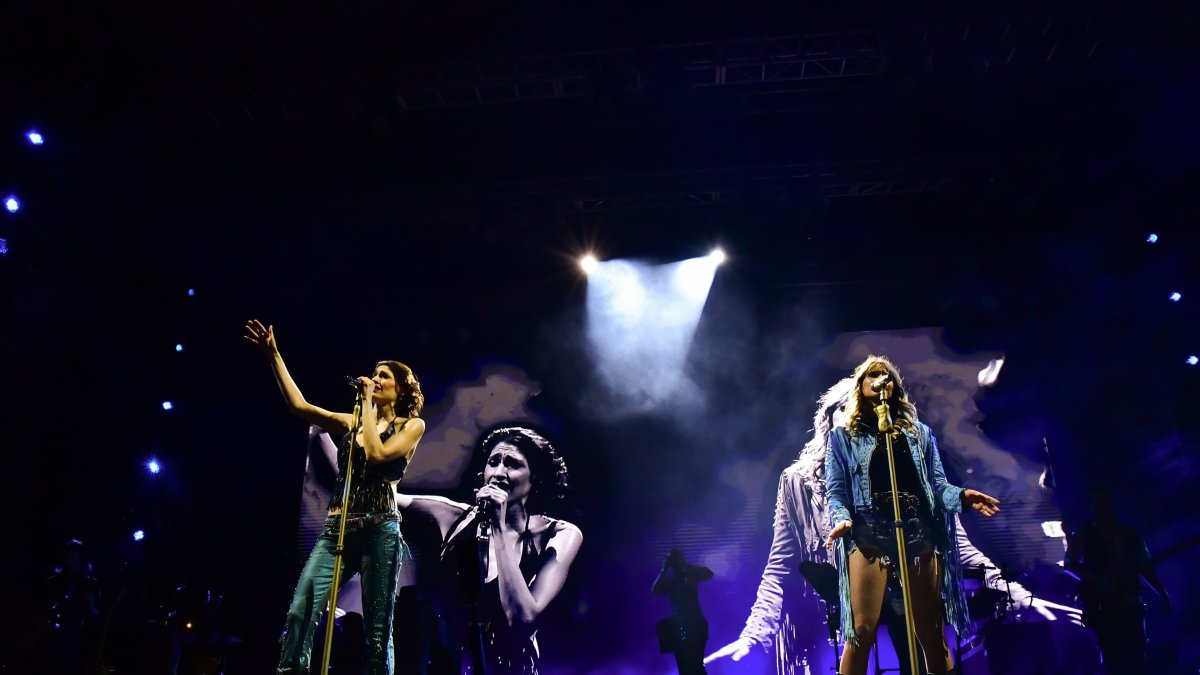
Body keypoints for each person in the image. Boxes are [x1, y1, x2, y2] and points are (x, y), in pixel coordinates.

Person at [707, 375, 1064, 673]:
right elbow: (780, 568)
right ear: (827, 424)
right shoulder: (798, 482)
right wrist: (754, 637)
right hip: (830, 632)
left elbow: (960, 548)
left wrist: (1017, 594)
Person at [244, 319, 426, 675]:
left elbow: (375, 455)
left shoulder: (411, 425)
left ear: (402, 388)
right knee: (300, 610)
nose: (374, 378)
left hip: (380, 531)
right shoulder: (352, 421)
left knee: (377, 629)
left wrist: (367, 407)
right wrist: (273, 356)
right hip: (337, 528)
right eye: (374, 373)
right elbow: (301, 407)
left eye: (383, 375)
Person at [823, 355, 1000, 675]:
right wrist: (842, 518)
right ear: (861, 387)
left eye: (887, 376)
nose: (881, 382)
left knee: (930, 629)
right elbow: (836, 491)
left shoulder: (919, 434)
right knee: (861, 630)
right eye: (872, 377)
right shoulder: (842, 437)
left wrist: (962, 496)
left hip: (917, 529)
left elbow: (937, 486)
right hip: (869, 529)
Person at [395, 426, 582, 675]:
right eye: (493, 462)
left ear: (535, 476)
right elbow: (379, 496)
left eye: (513, 464)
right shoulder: (452, 516)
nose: (498, 473)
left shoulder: (559, 534)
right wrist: (324, 433)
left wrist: (499, 526)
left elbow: (522, 618)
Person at [1064, 487, 1170, 673]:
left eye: (1106, 504)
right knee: (1113, 660)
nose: (1103, 509)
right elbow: (1070, 564)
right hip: (1103, 609)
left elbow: (1145, 566)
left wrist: (1162, 593)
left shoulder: (1131, 534)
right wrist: (1097, 581)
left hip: (1130, 606)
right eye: (1098, 505)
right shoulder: (1086, 535)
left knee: (1136, 657)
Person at [653, 549, 714, 675]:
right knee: (684, 667)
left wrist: (685, 565)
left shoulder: (691, 575)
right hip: (680, 627)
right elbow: (655, 590)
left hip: (695, 624)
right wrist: (664, 570)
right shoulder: (671, 582)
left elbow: (709, 574)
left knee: (696, 665)